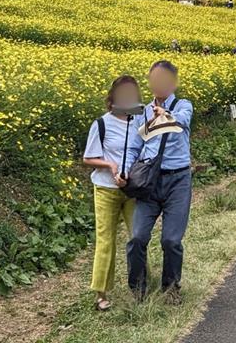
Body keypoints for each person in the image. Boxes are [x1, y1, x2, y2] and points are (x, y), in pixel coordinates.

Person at [127, 60, 195, 304]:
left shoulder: (183, 105)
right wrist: (125, 172)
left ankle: (171, 288)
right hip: (149, 181)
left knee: (171, 240)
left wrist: (166, 115)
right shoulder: (143, 111)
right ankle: (137, 290)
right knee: (137, 237)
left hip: (178, 180)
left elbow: (181, 122)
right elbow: (136, 144)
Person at [82, 76, 145, 311]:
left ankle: (140, 285)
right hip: (106, 189)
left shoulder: (140, 121)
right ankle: (101, 293)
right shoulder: (101, 124)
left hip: (132, 189)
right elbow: (88, 158)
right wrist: (110, 166)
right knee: (106, 241)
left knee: (138, 237)